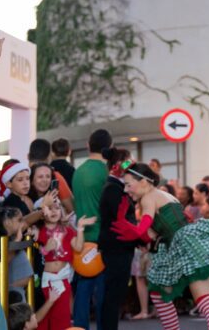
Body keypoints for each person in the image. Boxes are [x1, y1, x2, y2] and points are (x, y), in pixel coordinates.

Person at [115, 162, 209, 330]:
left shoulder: (148, 197)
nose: (126, 189)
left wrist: (127, 227)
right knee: (203, 300)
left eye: (129, 185)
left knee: (161, 293)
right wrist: (132, 231)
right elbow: (153, 233)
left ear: (143, 182)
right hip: (188, 243)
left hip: (180, 244)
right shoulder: (165, 196)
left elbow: (145, 227)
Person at [72, 129, 111, 330]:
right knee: (103, 292)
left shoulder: (78, 171)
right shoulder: (106, 172)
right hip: (102, 238)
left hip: (81, 239)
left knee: (83, 290)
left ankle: (80, 327)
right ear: (108, 148)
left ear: (88, 145)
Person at [36, 199, 93, 330]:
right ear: (42, 212)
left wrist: (80, 228)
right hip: (46, 280)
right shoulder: (39, 230)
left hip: (62, 279)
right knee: (44, 316)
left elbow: (78, 247)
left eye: (57, 208)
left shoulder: (67, 230)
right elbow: (36, 254)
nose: (54, 211)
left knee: (62, 315)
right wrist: (46, 249)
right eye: (49, 208)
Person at [97, 148, 138, 330]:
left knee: (115, 294)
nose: (131, 165)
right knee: (113, 294)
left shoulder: (116, 187)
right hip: (116, 248)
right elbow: (121, 220)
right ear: (117, 165)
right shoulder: (113, 188)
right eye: (127, 162)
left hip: (119, 247)